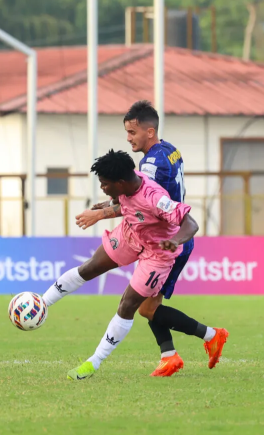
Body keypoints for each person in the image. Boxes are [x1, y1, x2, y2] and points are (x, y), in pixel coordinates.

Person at [75, 100, 228, 377]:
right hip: (165, 234)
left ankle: (211, 336)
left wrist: (103, 212)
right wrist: (110, 203)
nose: (128, 138)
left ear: (149, 131)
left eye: (132, 132)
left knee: (146, 307)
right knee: (147, 305)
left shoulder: (151, 164)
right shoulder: (170, 150)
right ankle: (169, 355)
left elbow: (141, 204)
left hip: (170, 238)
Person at [42, 149, 202, 380]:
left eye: (105, 184)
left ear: (120, 182)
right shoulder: (126, 184)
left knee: (127, 305)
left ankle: (93, 362)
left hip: (157, 253)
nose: (102, 187)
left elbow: (191, 223)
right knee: (90, 267)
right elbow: (124, 202)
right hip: (132, 234)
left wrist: (175, 241)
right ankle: (41, 305)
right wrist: (105, 207)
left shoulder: (155, 198)